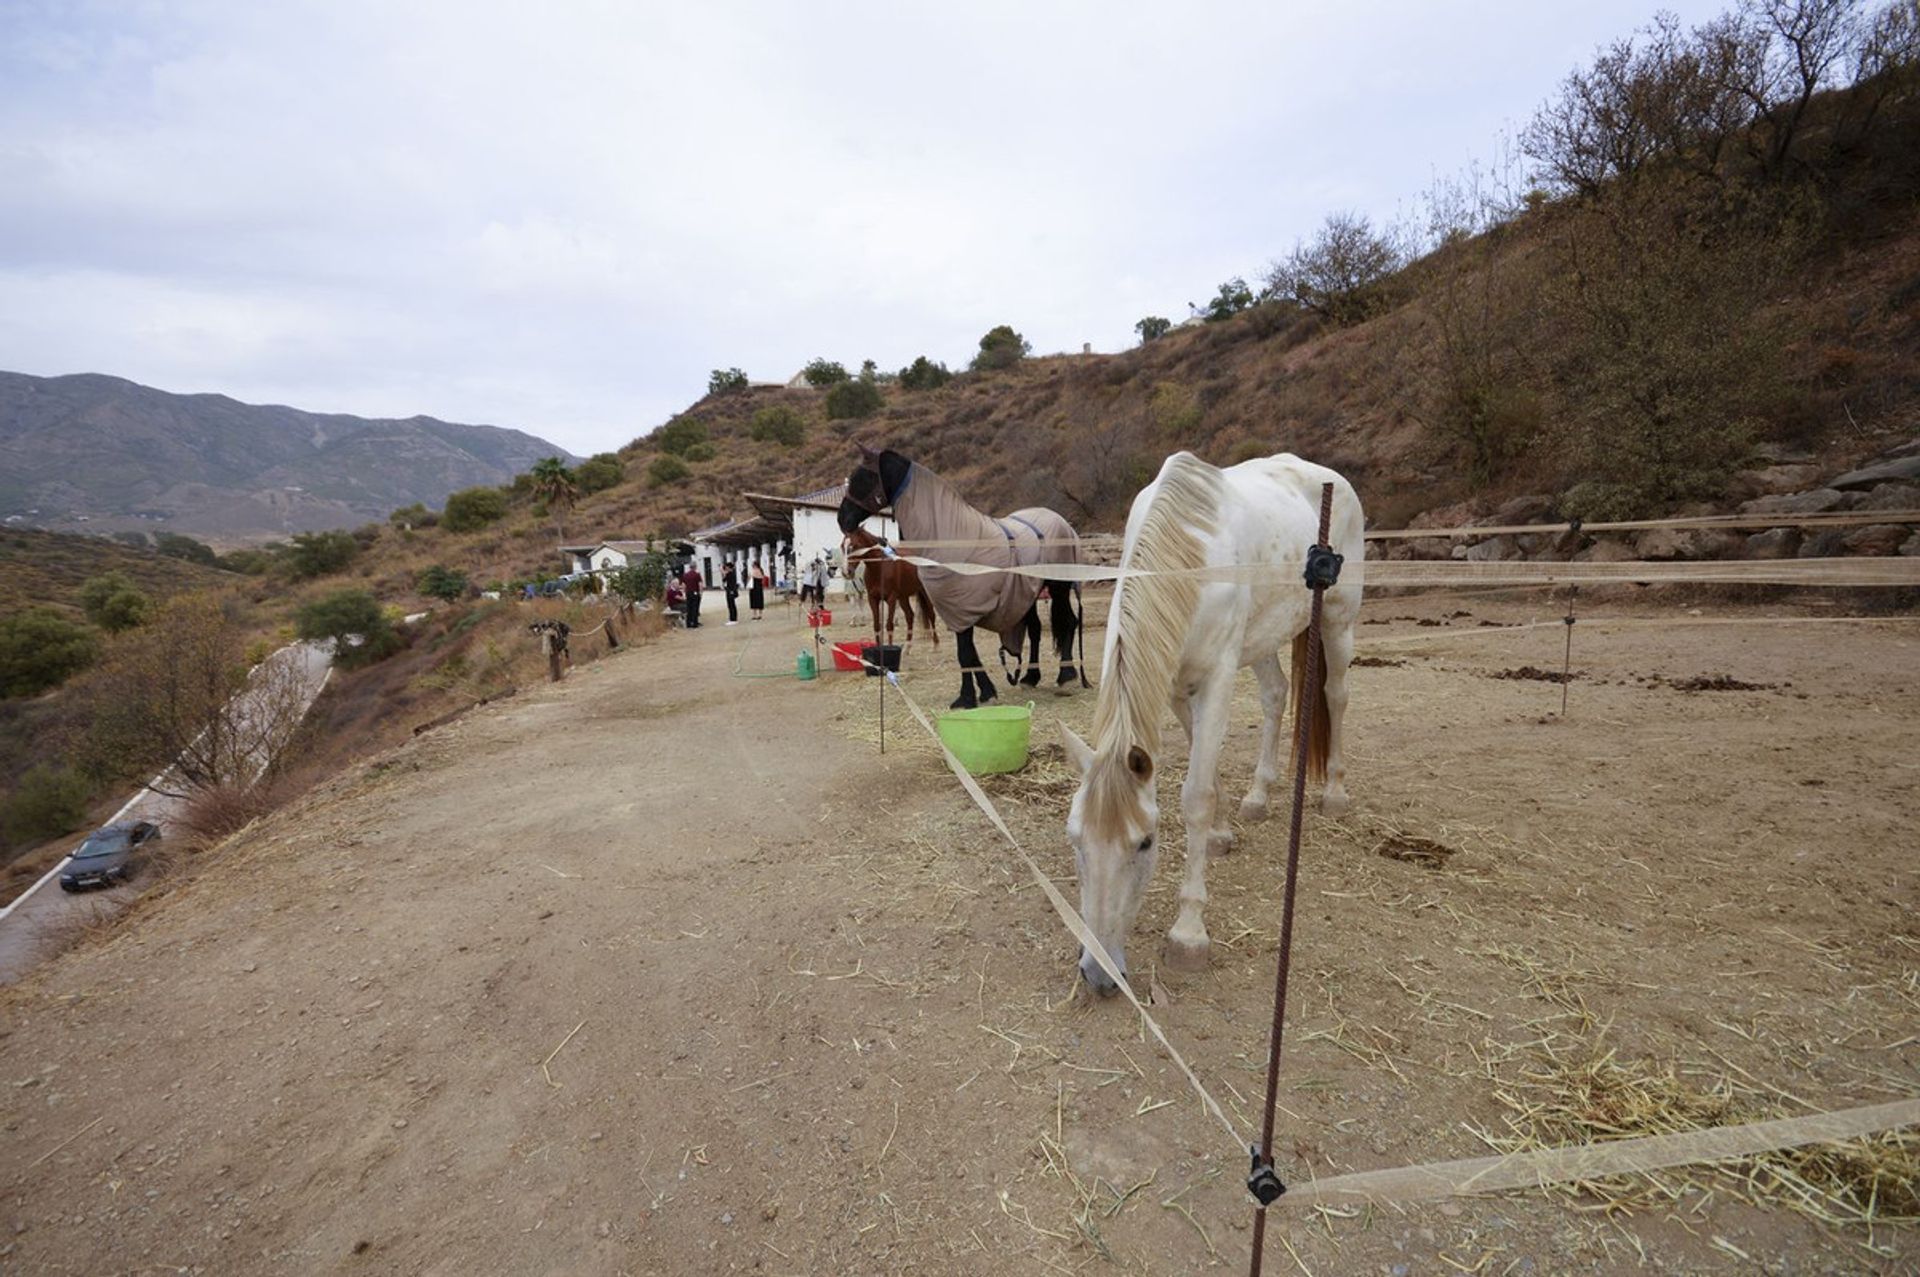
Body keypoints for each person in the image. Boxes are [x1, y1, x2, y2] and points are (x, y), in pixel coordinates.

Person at [680, 562, 704, 628]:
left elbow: (683, 585)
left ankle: (688, 623)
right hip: (695, 593)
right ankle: (694, 623)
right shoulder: (697, 574)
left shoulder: (685, 575)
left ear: (690, 567)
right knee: (695, 608)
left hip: (688, 593)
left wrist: (684, 592)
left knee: (689, 608)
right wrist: (701, 592)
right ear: (695, 567)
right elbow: (700, 584)